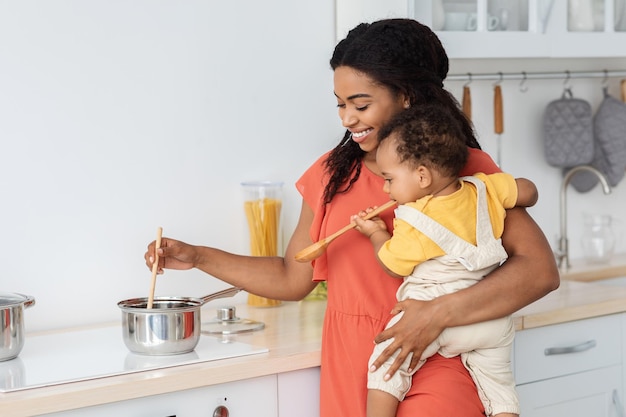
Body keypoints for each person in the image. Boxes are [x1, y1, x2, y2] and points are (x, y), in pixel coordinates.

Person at [144, 19, 559, 417]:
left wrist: (436, 313)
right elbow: (293, 277)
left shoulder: (458, 169)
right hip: (353, 362)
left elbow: (539, 270)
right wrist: (198, 256)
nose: (347, 119)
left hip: (439, 355)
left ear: (407, 96)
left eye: (361, 104)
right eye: (341, 104)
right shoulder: (332, 174)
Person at [353, 104, 538, 417]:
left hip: (437, 316)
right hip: (491, 319)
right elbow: (528, 192)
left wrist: (374, 233)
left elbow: (392, 263)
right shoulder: (485, 188)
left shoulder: (415, 219)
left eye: (389, 179)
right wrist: (519, 189)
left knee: (385, 364)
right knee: (498, 386)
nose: (386, 189)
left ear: (422, 176)